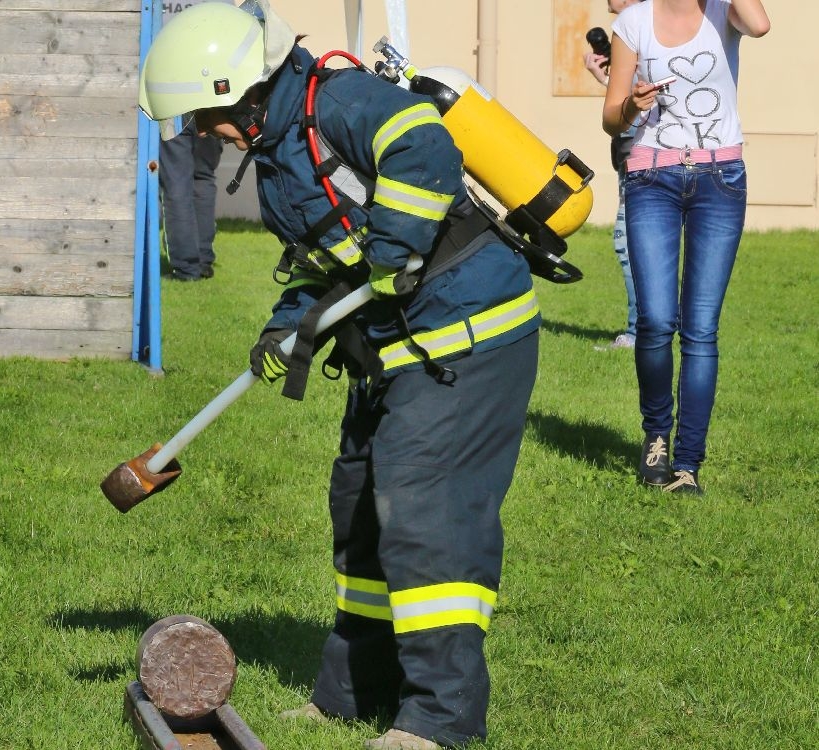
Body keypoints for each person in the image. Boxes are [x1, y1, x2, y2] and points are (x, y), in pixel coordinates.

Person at [140, 1, 541, 747]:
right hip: (393, 351)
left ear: (242, 92)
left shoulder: (345, 100)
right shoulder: (280, 150)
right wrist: (285, 324)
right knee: (357, 509)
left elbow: (423, 147)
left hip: (465, 341)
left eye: (203, 114)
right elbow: (328, 258)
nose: (201, 132)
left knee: (425, 511)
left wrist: (396, 241)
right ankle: (353, 693)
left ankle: (438, 721)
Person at [602, 0, 770, 494]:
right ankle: (657, 437)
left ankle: (688, 464)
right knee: (655, 320)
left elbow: (760, 25)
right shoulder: (633, 22)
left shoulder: (725, 11)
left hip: (721, 179)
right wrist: (634, 104)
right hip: (651, 177)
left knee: (700, 330)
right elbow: (611, 118)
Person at [583, 0, 645, 350]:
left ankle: (640, 333)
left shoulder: (636, 24)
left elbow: (640, 97)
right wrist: (603, 77)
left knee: (629, 243)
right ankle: (649, 330)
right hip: (631, 154)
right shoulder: (645, 22)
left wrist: (603, 79)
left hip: (638, 154)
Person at [157, 1, 227, 281]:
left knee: (176, 182)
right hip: (212, 95)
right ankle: (203, 259)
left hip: (171, 92)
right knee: (203, 177)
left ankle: (186, 266)